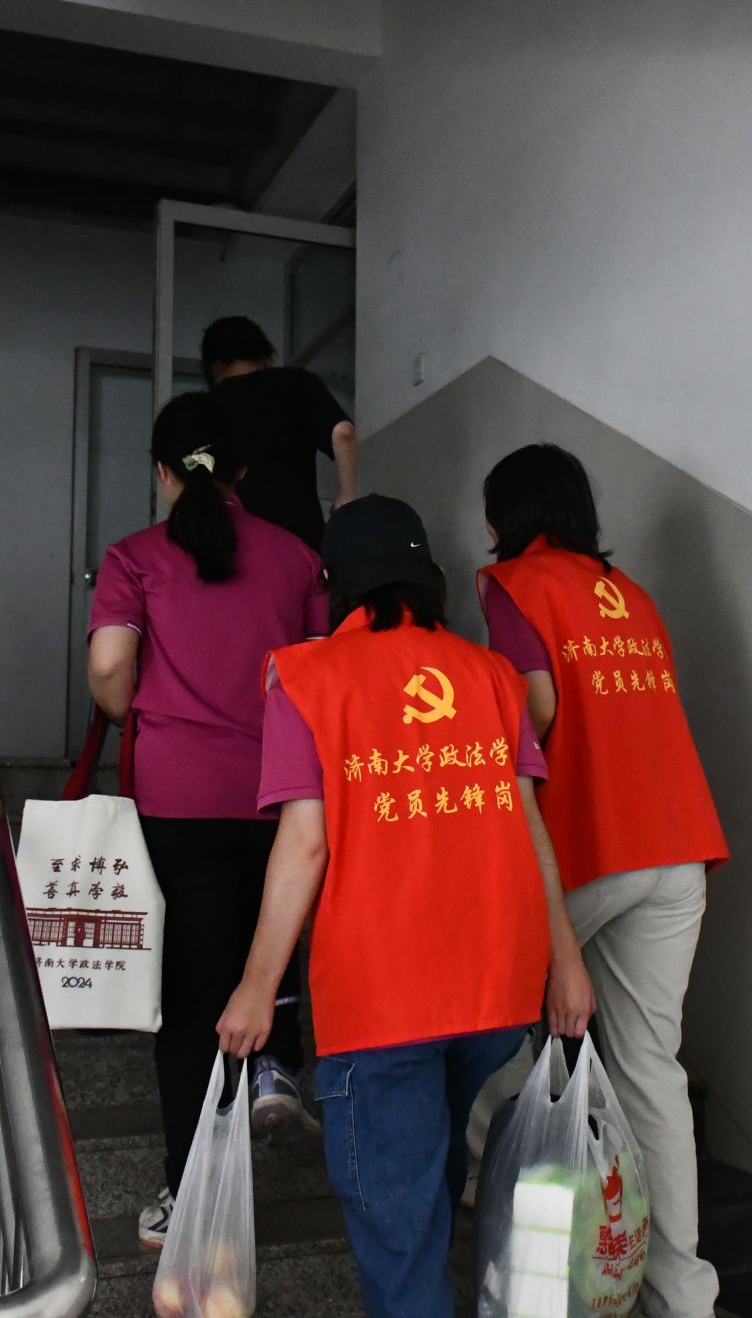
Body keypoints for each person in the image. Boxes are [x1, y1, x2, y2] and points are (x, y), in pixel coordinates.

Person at [214, 495, 595, 1318]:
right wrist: (566, 964)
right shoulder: (492, 676)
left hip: (381, 1000)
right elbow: (529, 825)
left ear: (333, 582)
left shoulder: (307, 678)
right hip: (495, 992)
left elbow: (304, 845)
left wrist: (256, 986)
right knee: (431, 1187)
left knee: (401, 1226)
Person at [475, 443, 730, 1318]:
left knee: (492, 1014)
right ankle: (682, 1293)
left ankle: (479, 1195)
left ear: (504, 517)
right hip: (678, 842)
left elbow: (537, 705)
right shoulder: (636, 597)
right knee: (652, 1068)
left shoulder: (514, 583)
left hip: (591, 843)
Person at [85, 392, 327, 1253]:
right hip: (279, 794)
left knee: (191, 996)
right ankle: (275, 1068)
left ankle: (191, 1192)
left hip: (177, 797)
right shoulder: (298, 558)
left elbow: (109, 670)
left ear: (161, 472)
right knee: (271, 944)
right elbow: (320, 680)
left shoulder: (135, 556)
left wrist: (140, 705)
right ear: (243, 472)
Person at [202, 315, 358, 551]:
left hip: (233, 544)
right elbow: (343, 433)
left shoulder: (205, 408)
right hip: (300, 542)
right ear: (265, 354)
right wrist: (347, 496)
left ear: (214, 365)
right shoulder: (298, 383)